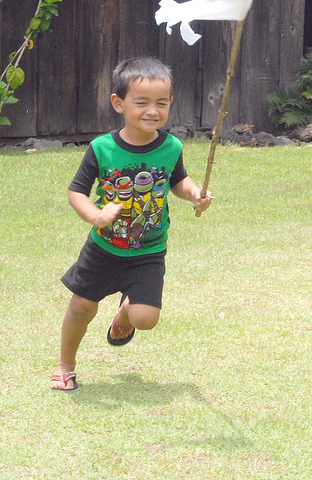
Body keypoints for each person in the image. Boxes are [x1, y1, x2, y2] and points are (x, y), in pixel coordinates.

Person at [51, 57, 212, 391]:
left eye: (161, 103)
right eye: (142, 102)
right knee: (82, 306)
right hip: (105, 247)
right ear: (118, 103)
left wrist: (195, 193)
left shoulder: (171, 147)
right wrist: (95, 216)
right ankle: (66, 364)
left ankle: (125, 312)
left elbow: (178, 181)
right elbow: (76, 192)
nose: (152, 110)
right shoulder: (102, 148)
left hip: (148, 250)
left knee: (145, 319)